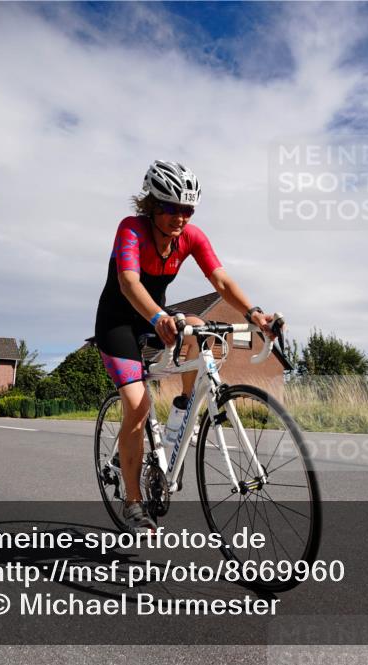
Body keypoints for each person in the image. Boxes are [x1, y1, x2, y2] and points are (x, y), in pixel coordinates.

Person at [94, 160, 278, 533]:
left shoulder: (192, 237)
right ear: (153, 204)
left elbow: (221, 280)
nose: (181, 218)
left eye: (188, 210)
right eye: (173, 209)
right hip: (118, 323)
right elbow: (129, 282)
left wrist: (255, 313)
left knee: (199, 328)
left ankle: (183, 406)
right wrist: (158, 317)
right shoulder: (131, 229)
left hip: (157, 317)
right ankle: (132, 501)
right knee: (138, 404)